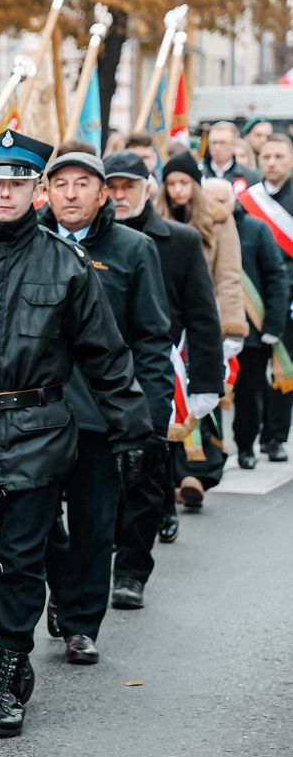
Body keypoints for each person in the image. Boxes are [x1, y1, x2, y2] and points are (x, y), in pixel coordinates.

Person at [0, 130, 152, 738]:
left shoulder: (65, 264)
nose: (7, 192)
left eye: (19, 182)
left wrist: (132, 433)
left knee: (19, 558)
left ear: (35, 189)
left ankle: (9, 669)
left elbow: (107, 354)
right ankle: (14, 631)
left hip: (39, 433)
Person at [37, 150, 172, 664]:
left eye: (82, 184)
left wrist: (149, 423)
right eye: (61, 183)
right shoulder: (30, 244)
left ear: (102, 194)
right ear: (47, 192)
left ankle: (80, 623)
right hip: (39, 416)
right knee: (37, 520)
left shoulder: (133, 249)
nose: (70, 194)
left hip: (102, 415)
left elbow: (152, 339)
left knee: (95, 525)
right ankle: (61, 587)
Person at [109, 149, 222, 567]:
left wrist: (207, 383)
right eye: (113, 187)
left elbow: (202, 315)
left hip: (155, 369)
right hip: (99, 375)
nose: (120, 196)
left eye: (129, 187)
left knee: (150, 468)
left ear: (147, 189)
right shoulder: (81, 239)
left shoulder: (181, 240)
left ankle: (133, 567)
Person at [157, 152, 244, 508]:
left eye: (184, 183)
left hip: (203, 323)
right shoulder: (154, 220)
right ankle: (172, 476)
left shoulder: (219, 221)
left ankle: (199, 470)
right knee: (168, 401)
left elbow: (228, 277)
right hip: (166, 323)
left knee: (202, 397)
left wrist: (231, 328)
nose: (177, 190)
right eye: (171, 183)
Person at [217, 175, 287, 469]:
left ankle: (246, 445)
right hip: (210, 329)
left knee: (248, 392)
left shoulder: (256, 229)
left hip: (250, 330)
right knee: (209, 393)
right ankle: (212, 449)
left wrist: (273, 325)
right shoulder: (196, 229)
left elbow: (275, 276)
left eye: (222, 200)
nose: (216, 206)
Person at [244, 133, 293, 460]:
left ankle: (275, 437)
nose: (272, 163)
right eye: (266, 157)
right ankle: (250, 437)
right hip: (254, 298)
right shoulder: (250, 200)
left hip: (288, 299)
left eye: (279, 156)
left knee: (284, 371)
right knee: (251, 374)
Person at [202, 121, 260, 186]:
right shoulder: (199, 173)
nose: (217, 147)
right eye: (213, 142)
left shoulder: (251, 177)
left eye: (222, 142)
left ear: (234, 145)